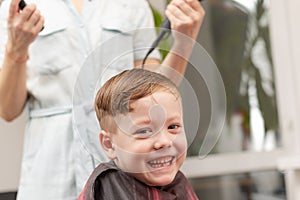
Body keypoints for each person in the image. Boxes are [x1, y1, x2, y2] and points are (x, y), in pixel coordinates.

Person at [0, 0, 205, 199]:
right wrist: (16, 48)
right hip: (50, 180)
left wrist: (184, 43)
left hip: (123, 185)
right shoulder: (16, 7)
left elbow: (153, 97)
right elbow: (7, 109)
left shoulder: (132, 4)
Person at [79, 68, 198, 200]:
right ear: (109, 145)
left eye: (172, 127)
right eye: (144, 131)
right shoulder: (108, 188)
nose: (164, 141)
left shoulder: (178, 182)